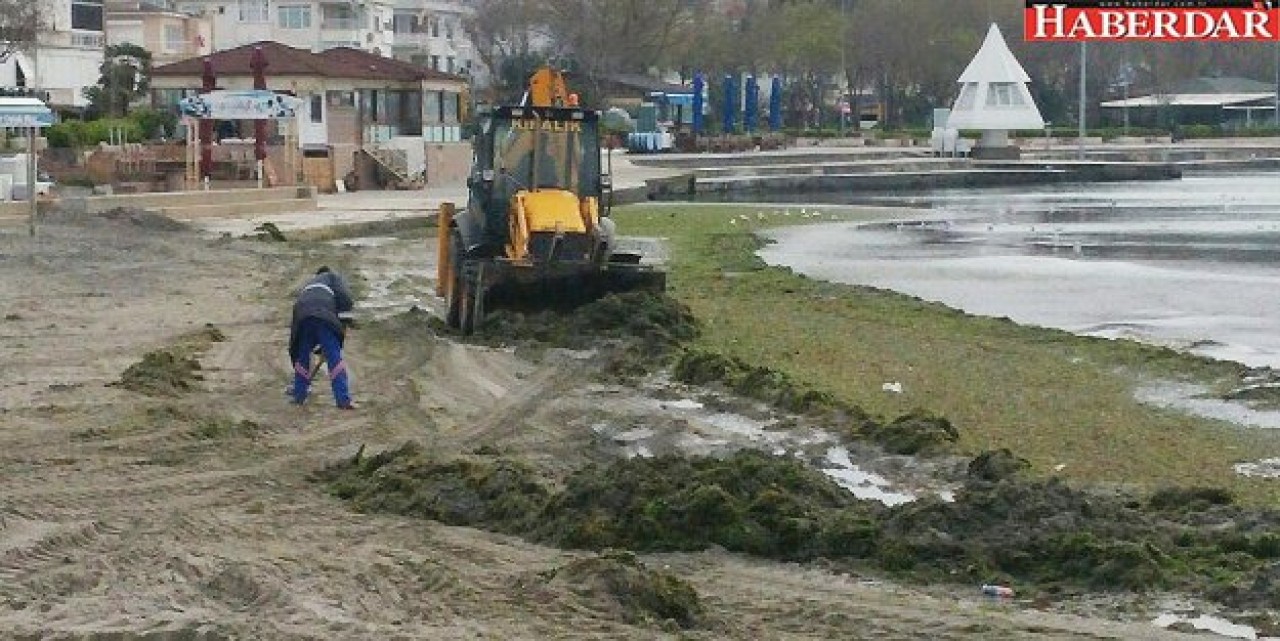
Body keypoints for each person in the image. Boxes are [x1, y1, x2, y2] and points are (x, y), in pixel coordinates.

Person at [289, 266, 356, 409]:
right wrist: (338, 339)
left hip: (302, 314)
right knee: (334, 358)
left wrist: (298, 347)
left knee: (302, 356)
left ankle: (299, 395)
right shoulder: (333, 277)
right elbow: (345, 301)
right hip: (323, 315)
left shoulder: (309, 284)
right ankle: (343, 400)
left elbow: (294, 338)